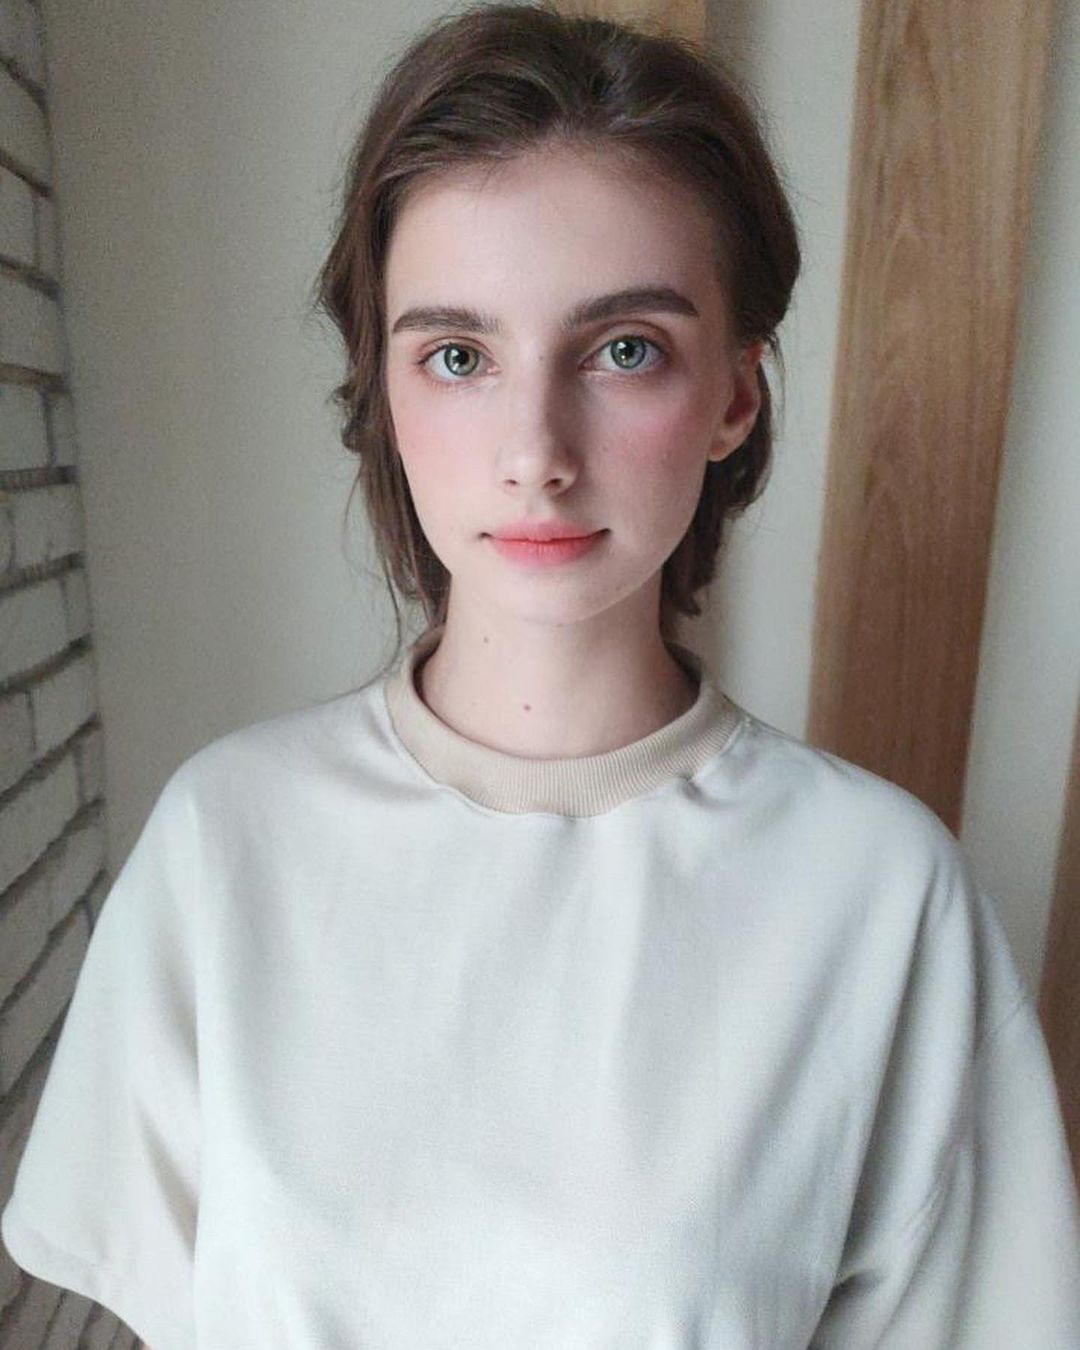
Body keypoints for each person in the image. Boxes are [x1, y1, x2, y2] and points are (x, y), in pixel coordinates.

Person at [4, 3, 1080, 1346]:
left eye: (625, 348)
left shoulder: (881, 896)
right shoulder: (225, 845)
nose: (536, 451)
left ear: (736, 393)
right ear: (385, 393)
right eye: (459, 356)